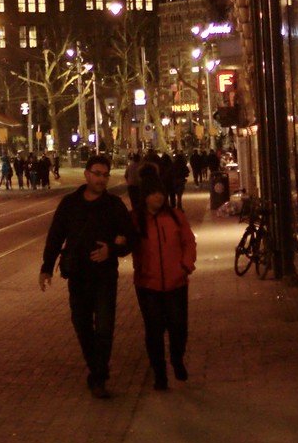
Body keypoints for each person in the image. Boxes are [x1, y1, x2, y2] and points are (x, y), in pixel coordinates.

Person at [38, 154, 135, 398]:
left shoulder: (114, 205)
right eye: (97, 173)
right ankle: (96, 368)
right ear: (87, 174)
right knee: (81, 325)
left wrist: (111, 249)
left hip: (104, 277)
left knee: (104, 327)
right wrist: (46, 267)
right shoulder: (70, 204)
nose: (101, 179)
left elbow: (131, 237)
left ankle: (99, 377)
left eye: (105, 175)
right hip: (78, 275)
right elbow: (56, 235)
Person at [131, 172, 196, 390]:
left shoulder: (176, 216)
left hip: (176, 283)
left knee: (179, 328)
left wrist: (185, 266)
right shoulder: (136, 220)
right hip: (148, 285)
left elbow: (189, 242)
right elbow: (125, 244)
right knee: (154, 331)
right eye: (153, 194)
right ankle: (160, 374)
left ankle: (177, 359)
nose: (158, 198)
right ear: (145, 196)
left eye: (160, 193)